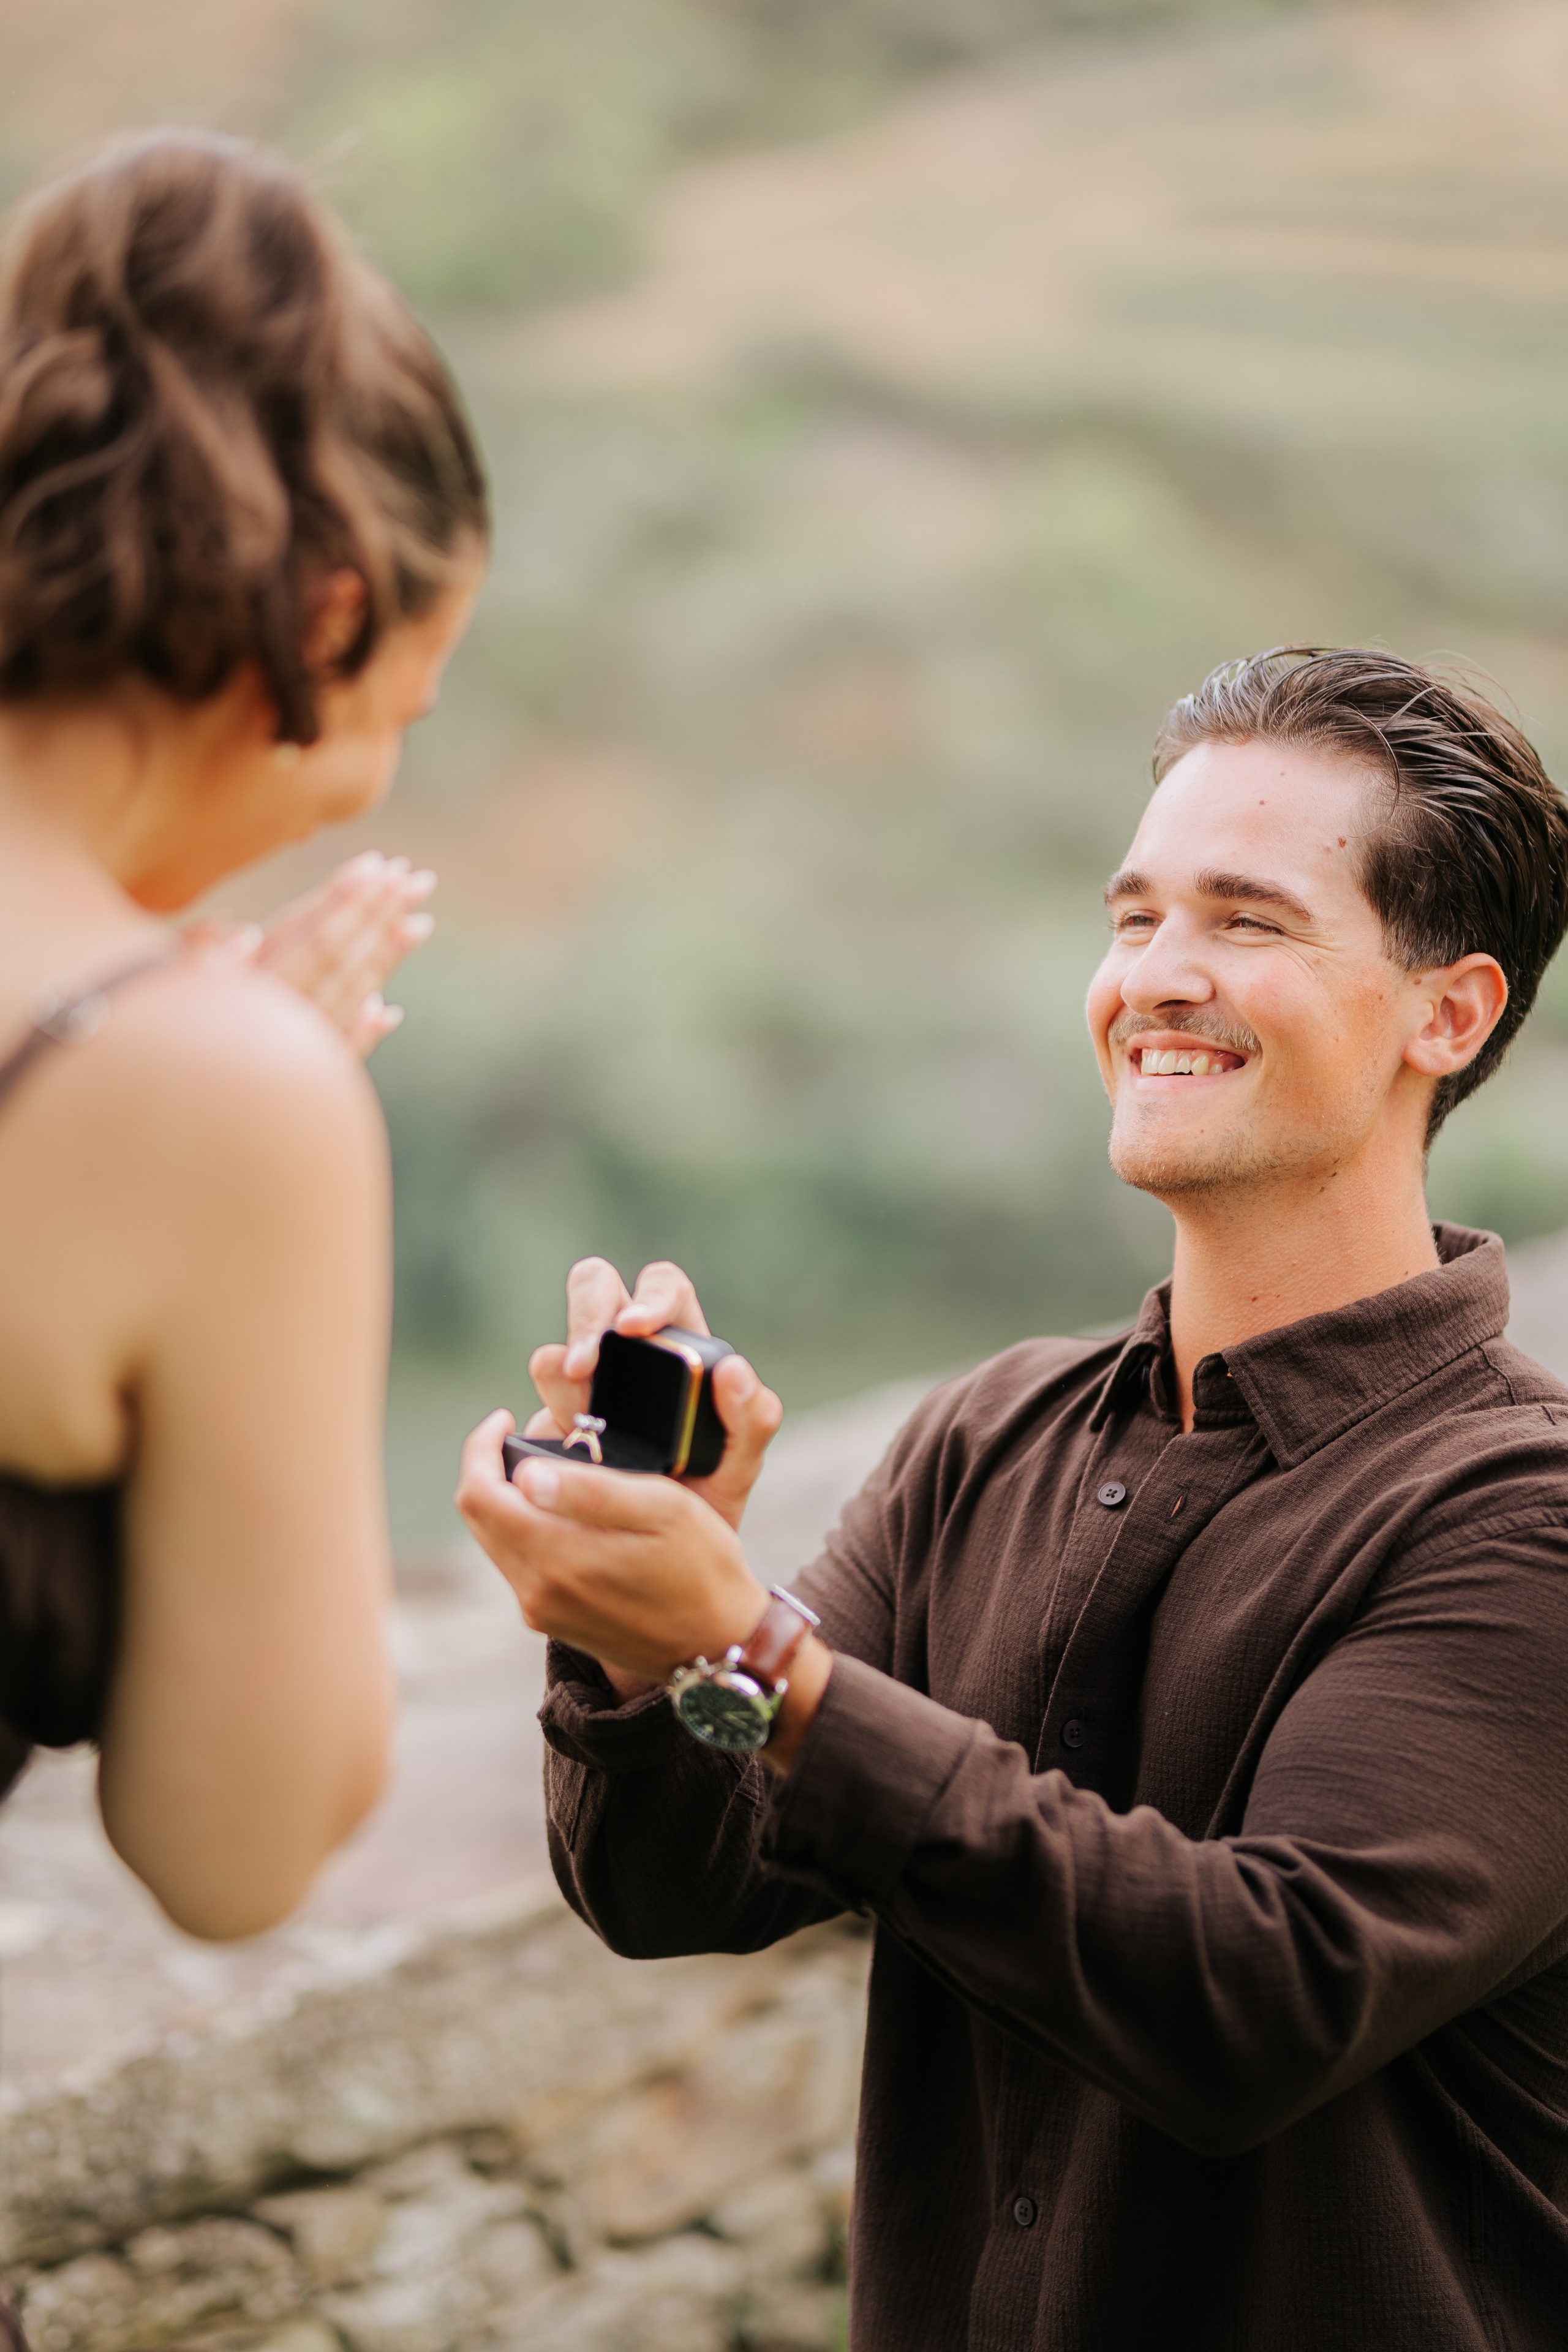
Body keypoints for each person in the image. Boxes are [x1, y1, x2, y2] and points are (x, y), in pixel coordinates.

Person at [460, 647, 1568, 2351]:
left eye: (1248, 922)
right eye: (1135, 918)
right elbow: (686, 1887)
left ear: (1452, 1014)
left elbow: (1255, 1999)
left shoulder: (1520, 1521)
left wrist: (752, 1650)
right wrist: (644, 1639)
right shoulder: (989, 1435)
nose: (1157, 978)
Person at [0, 119, 486, 2005]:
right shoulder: (216, 1099)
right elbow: (235, 1847)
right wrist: (255, 1124)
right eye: (405, 707)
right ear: (333, 614)